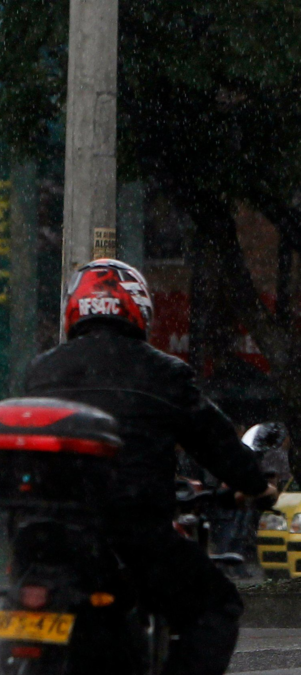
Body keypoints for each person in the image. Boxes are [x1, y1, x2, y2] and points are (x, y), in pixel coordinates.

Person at [22, 259, 278, 675]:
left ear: (74, 308)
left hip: (49, 538)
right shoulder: (164, 373)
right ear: (138, 310)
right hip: (134, 536)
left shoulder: (41, 371)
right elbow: (216, 443)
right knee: (217, 606)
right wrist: (256, 485)